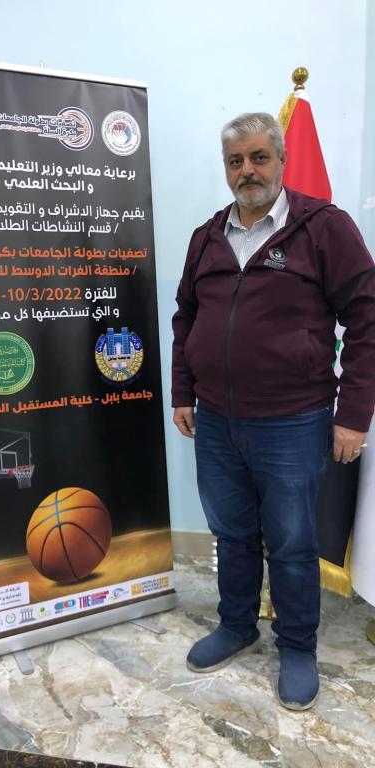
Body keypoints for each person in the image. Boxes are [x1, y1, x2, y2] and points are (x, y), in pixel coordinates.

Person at [172, 112, 375, 711]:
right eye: (235, 161)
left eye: (259, 157)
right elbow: (187, 318)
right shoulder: (207, 236)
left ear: (282, 161)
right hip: (216, 421)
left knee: (290, 541)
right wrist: (183, 391)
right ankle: (237, 625)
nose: (248, 171)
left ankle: (297, 646)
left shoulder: (324, 228)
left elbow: (366, 320)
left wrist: (353, 413)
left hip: (294, 421)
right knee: (231, 532)